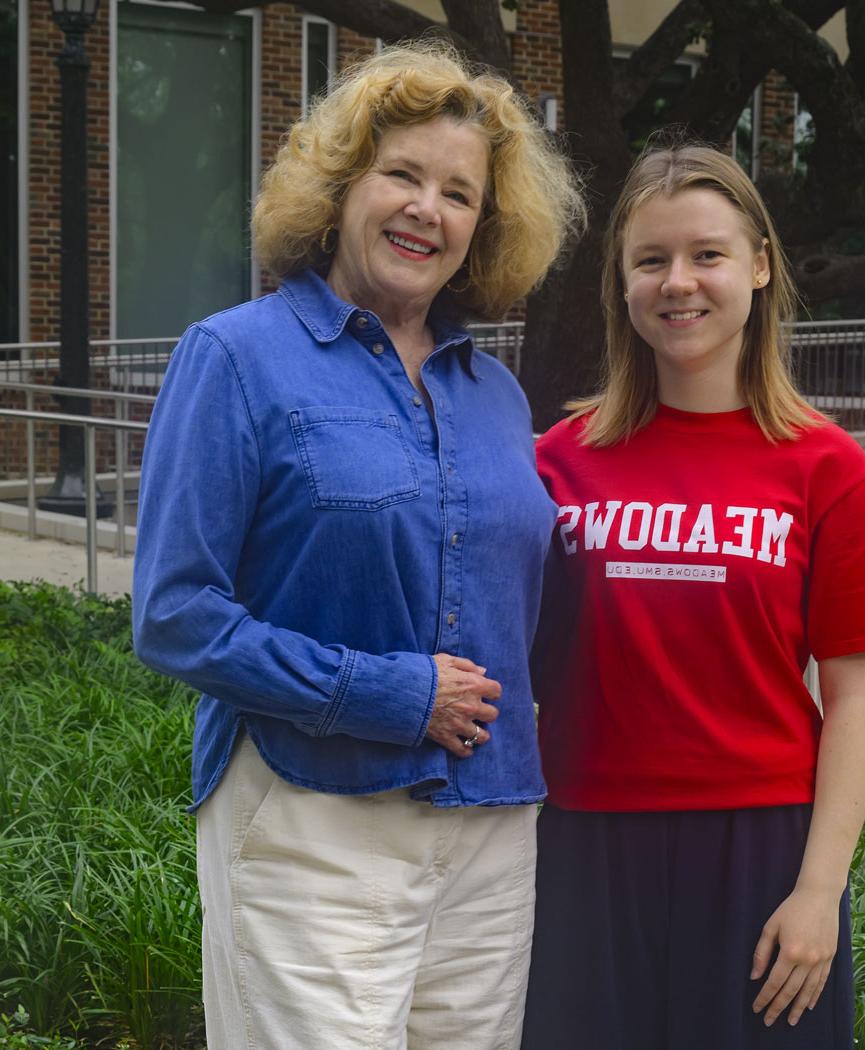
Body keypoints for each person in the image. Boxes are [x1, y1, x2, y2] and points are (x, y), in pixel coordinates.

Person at [133, 42, 582, 1050]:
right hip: (310, 821)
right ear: (340, 189)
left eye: (459, 192)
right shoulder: (237, 357)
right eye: (403, 176)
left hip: (494, 836)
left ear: (485, 225)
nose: (428, 209)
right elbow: (173, 615)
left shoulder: (497, 395)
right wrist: (383, 691)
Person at [521, 143, 865, 1049]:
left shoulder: (827, 467)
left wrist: (820, 891)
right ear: (621, 282)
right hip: (583, 844)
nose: (679, 282)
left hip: (762, 855)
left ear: (760, 266)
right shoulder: (558, 461)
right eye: (651, 259)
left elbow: (856, 698)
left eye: (707, 254)